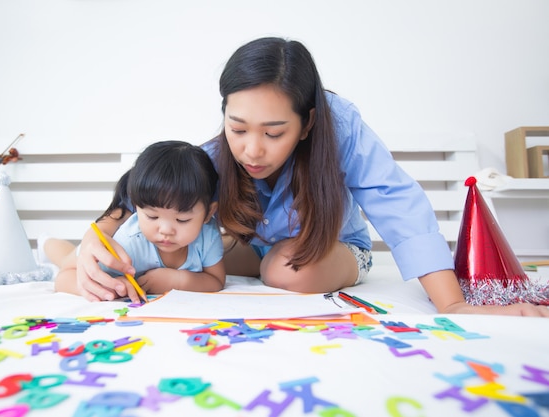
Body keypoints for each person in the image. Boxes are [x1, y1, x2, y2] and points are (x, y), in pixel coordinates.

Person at [73, 37, 548, 317]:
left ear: (309, 122)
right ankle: (57, 253)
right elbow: (154, 184)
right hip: (255, 252)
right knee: (167, 243)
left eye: (274, 132)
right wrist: (98, 235)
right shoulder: (217, 154)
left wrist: (453, 306)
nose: (251, 150)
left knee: (281, 268)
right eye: (237, 128)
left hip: (336, 252)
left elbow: (395, 201)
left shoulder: (340, 126)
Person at [48, 140, 226, 302]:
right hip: (89, 253)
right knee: (65, 259)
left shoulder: (208, 235)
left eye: (182, 219)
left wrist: (178, 280)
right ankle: (48, 243)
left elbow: (216, 280)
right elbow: (65, 277)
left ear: (209, 213)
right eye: (152, 216)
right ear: (135, 206)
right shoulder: (126, 244)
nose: (165, 230)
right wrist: (109, 286)